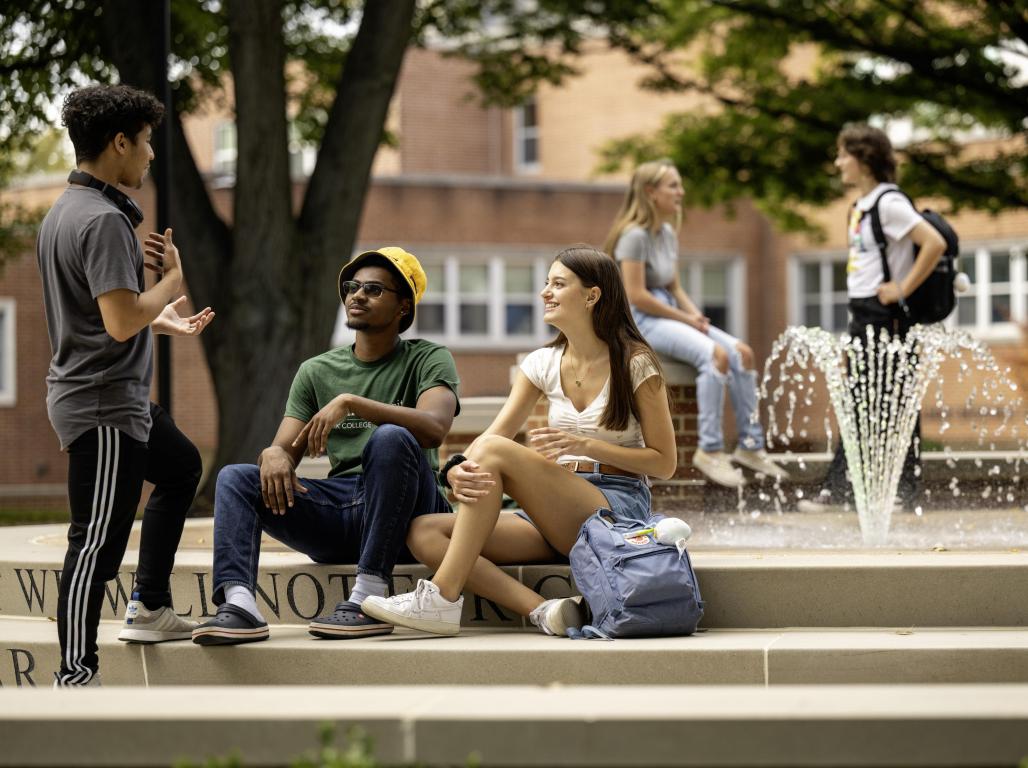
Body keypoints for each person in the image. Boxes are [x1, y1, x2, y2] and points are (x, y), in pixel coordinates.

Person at [360, 245, 677, 637]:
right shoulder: (541, 363)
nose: (545, 292)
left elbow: (664, 463)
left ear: (592, 296)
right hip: (551, 516)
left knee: (494, 453)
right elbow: (492, 436)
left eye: (558, 284)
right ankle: (546, 610)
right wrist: (457, 470)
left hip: (615, 507)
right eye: (546, 283)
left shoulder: (635, 361)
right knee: (423, 531)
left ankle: (440, 598)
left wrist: (586, 445)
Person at [37, 85, 215, 687]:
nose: (150, 155)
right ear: (119, 143)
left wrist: (153, 317)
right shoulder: (105, 220)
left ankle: (151, 605)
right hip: (104, 406)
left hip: (108, 396)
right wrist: (174, 283)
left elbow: (101, 315)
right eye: (145, 142)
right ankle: (75, 674)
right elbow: (118, 320)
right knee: (95, 547)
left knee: (183, 466)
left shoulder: (65, 210)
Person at [191, 247, 460, 645]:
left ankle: (368, 596)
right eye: (352, 287)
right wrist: (274, 455)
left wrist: (353, 403)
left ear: (404, 306)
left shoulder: (427, 358)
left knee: (390, 438)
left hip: (411, 514)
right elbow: (284, 449)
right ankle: (240, 603)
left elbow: (435, 428)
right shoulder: (317, 371)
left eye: (373, 289)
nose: (357, 296)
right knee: (235, 478)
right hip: (343, 511)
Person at [603, 159, 787, 488]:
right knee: (715, 355)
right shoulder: (633, 237)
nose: (681, 192)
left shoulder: (668, 232)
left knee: (742, 353)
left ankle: (751, 446)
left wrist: (695, 316)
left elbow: (673, 286)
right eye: (673, 185)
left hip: (670, 311)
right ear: (650, 192)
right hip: (642, 319)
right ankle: (710, 450)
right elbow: (636, 295)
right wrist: (685, 318)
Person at [799, 124, 946, 514]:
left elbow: (935, 242)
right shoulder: (862, 206)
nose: (838, 162)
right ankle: (845, 489)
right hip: (864, 312)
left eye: (844, 154)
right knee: (862, 400)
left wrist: (901, 288)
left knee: (893, 401)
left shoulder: (888, 203)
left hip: (888, 315)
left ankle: (897, 492)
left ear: (864, 159)